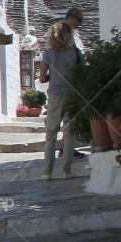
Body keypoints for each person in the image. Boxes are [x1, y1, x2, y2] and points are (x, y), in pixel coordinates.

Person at [39, 19, 81, 180]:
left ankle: (47, 172)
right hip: (72, 93)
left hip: (55, 94)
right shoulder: (75, 53)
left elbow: (42, 79)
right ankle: (66, 170)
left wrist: (53, 76)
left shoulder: (48, 53)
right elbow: (81, 73)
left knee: (51, 133)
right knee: (70, 132)